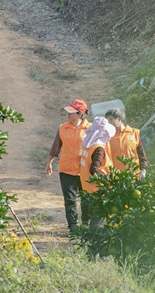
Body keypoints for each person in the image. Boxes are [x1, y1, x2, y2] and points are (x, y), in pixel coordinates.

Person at [45, 99, 92, 233]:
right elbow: (56, 147)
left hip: (85, 170)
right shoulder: (63, 128)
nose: (68, 115)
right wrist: (49, 163)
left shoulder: (90, 129)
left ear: (80, 114)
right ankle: (72, 227)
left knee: (86, 199)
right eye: (68, 112)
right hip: (66, 169)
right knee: (70, 199)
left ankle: (85, 223)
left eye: (71, 113)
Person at [79, 117, 116, 232]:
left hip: (87, 186)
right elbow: (94, 168)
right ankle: (95, 241)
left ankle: (92, 237)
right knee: (97, 218)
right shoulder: (98, 148)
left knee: (94, 216)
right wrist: (107, 180)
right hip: (97, 189)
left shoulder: (88, 144)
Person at [105, 107, 148, 179]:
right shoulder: (107, 136)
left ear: (119, 119)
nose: (109, 122)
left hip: (134, 175)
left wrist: (143, 169)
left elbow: (141, 153)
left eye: (111, 119)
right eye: (107, 120)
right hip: (116, 176)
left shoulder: (134, 133)